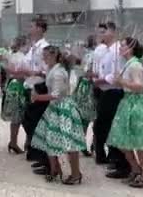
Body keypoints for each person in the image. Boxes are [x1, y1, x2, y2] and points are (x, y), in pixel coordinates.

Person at [107, 37, 143, 188]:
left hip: (136, 103)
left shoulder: (135, 65)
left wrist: (121, 81)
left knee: (139, 142)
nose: (119, 48)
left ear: (130, 49)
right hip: (127, 101)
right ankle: (136, 169)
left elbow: (140, 86)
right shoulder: (128, 64)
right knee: (122, 140)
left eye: (122, 46)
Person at [30, 45, 86, 185]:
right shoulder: (53, 69)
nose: (43, 58)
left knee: (69, 142)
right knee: (49, 139)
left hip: (63, 109)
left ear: (54, 56)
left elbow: (55, 95)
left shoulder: (58, 72)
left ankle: (75, 173)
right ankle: (56, 169)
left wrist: (38, 97)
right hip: (54, 109)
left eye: (46, 56)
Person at [92, 22, 131, 179]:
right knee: (102, 126)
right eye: (100, 31)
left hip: (115, 92)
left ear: (113, 32)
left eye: (105, 31)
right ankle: (113, 158)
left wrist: (102, 80)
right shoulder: (105, 51)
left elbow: (117, 73)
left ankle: (121, 163)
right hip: (105, 93)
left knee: (112, 127)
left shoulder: (117, 50)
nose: (102, 33)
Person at [23, 18, 51, 175]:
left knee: (36, 123)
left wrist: (37, 72)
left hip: (41, 86)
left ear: (40, 28)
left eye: (32, 26)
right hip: (31, 85)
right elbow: (27, 64)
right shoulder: (33, 47)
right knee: (29, 121)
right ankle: (38, 154)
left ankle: (43, 157)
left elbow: (48, 69)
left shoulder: (45, 47)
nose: (30, 28)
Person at [1, 36, 29, 154]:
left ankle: (13, 142)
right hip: (20, 87)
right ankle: (19, 142)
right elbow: (21, 74)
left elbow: (6, 68)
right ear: (22, 45)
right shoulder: (23, 57)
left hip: (11, 85)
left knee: (16, 119)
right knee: (22, 117)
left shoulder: (11, 55)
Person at [73, 35, 97, 157]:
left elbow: (81, 73)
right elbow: (88, 72)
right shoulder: (94, 54)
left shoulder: (85, 55)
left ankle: (82, 143)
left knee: (84, 119)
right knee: (93, 118)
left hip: (83, 86)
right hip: (91, 88)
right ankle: (94, 143)